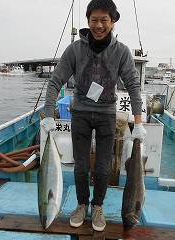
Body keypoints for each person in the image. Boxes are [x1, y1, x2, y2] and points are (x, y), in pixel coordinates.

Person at [40, 0, 146, 232]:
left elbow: (133, 86)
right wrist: (48, 115)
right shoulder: (75, 50)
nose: (99, 25)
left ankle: (97, 206)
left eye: (104, 20)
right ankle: (81, 205)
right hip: (80, 113)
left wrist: (137, 122)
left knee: (103, 167)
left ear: (113, 21)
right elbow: (55, 81)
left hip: (107, 114)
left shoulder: (122, 52)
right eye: (94, 20)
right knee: (80, 166)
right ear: (87, 21)